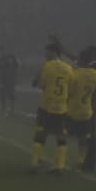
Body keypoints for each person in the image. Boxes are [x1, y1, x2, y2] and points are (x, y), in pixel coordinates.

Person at [30, 42, 73, 174]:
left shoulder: (47, 66)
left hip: (46, 106)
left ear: (54, 52)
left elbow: (41, 85)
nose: (45, 54)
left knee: (40, 133)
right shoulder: (68, 67)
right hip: (61, 107)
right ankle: (59, 166)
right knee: (61, 136)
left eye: (47, 52)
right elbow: (70, 87)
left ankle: (35, 163)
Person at [67, 47, 96, 173]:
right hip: (89, 107)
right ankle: (85, 162)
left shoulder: (77, 72)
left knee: (84, 137)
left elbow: (70, 90)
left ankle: (87, 163)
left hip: (78, 108)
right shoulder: (95, 72)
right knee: (86, 137)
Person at [0, 47, 19, 116]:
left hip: (9, 81)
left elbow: (15, 68)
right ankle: (3, 110)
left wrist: (15, 79)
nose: (2, 52)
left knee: (11, 95)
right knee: (2, 96)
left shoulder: (11, 58)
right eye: (1, 51)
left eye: (3, 51)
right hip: (2, 80)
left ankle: (12, 109)